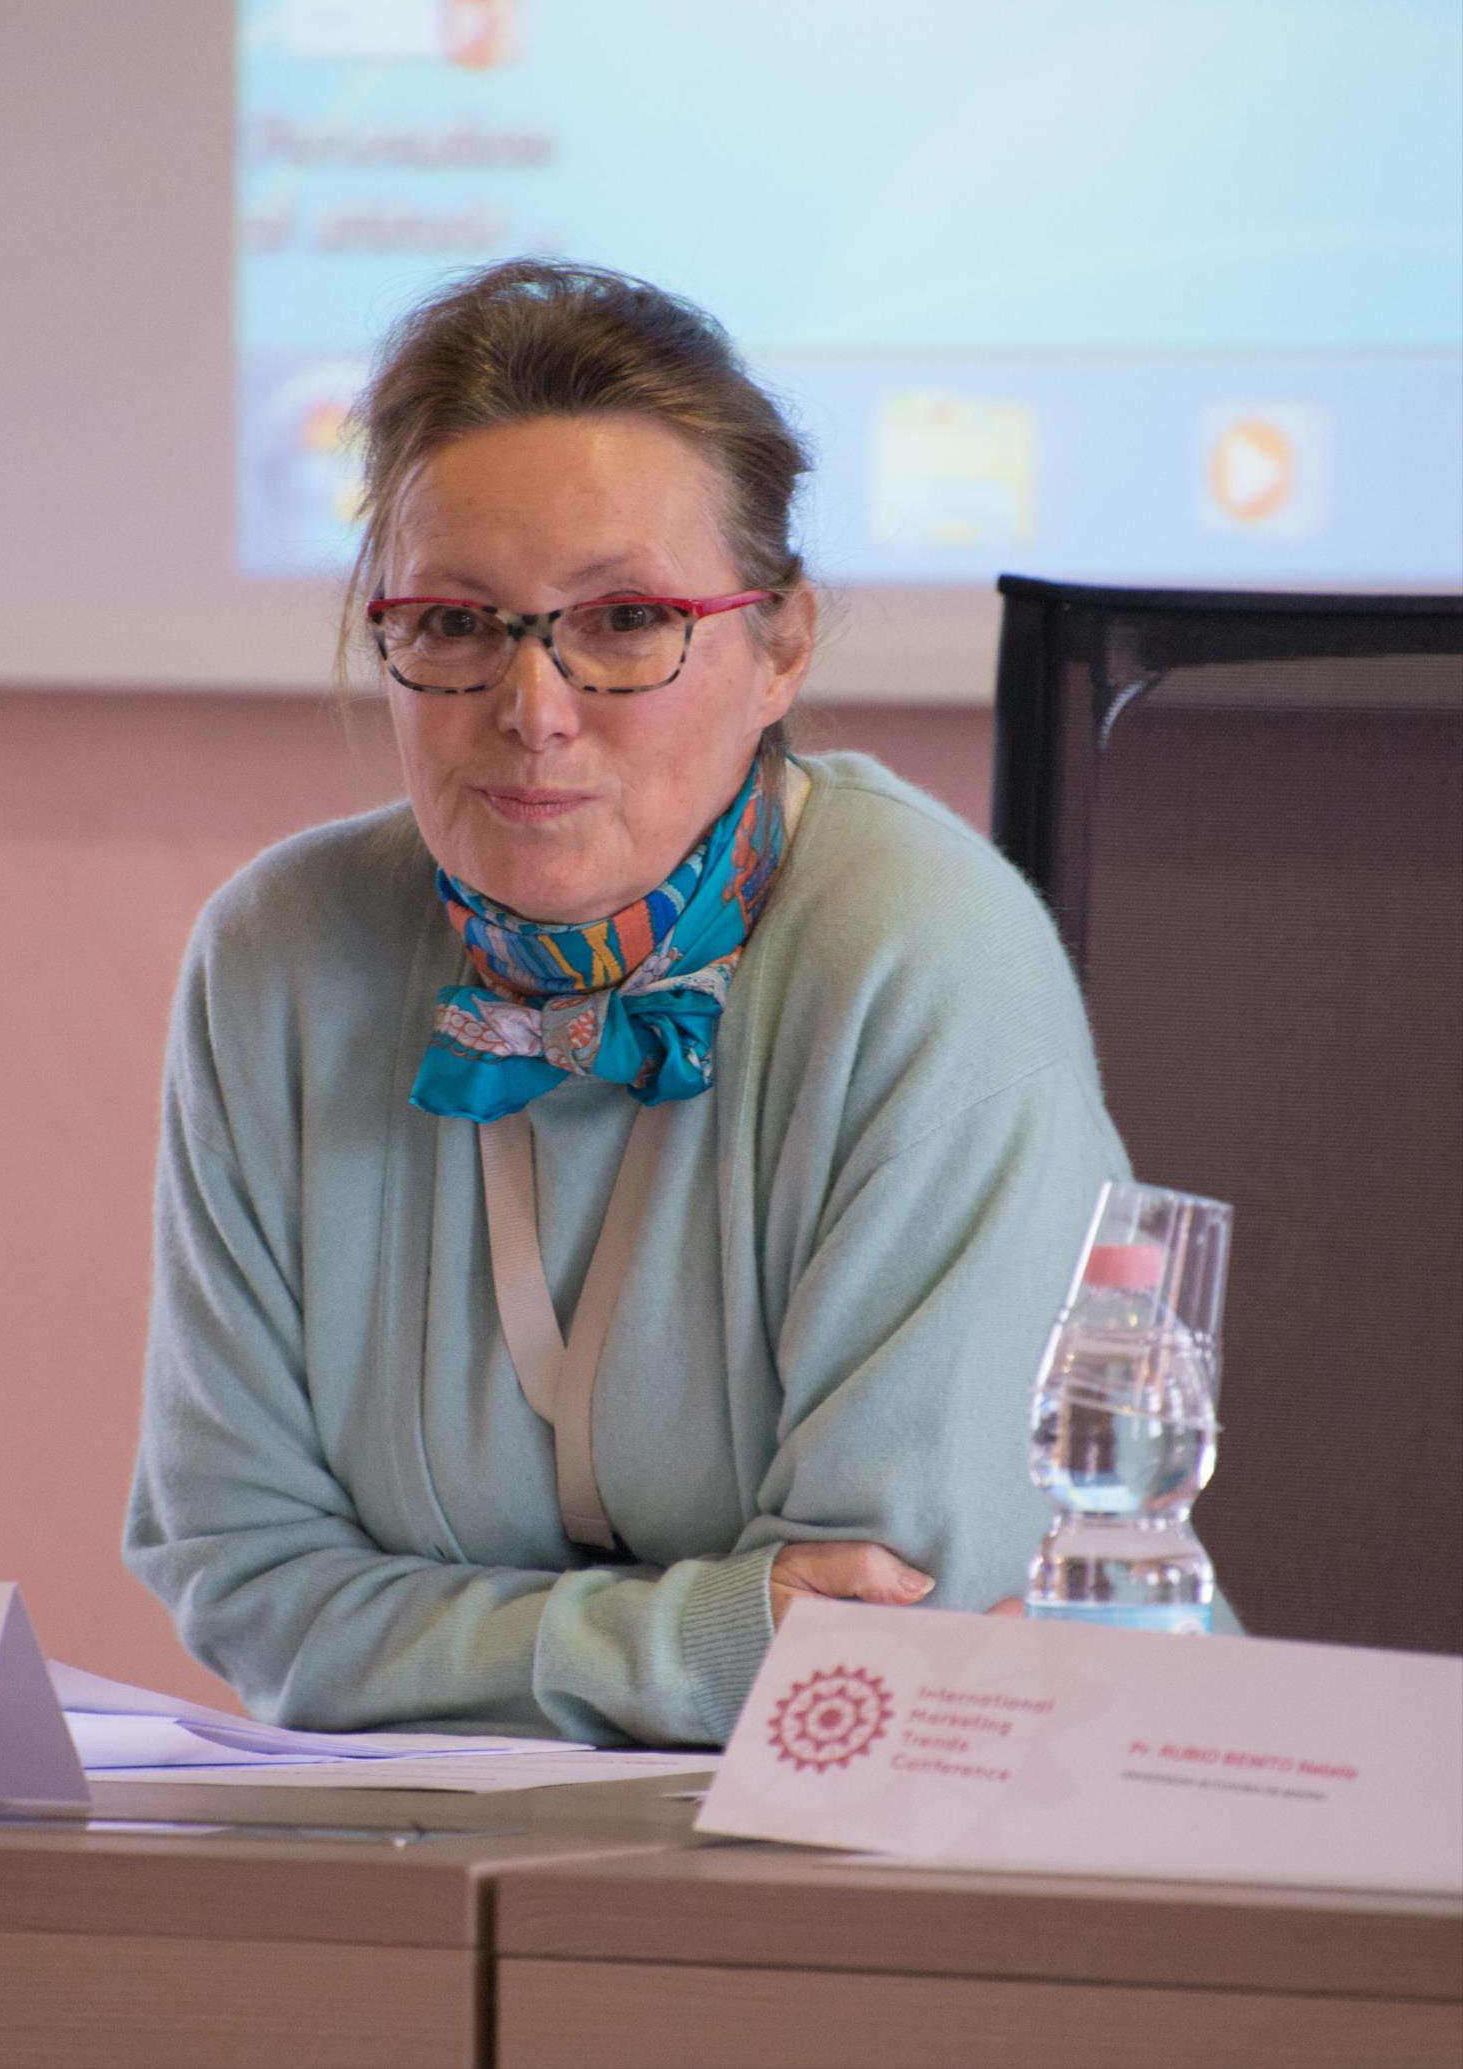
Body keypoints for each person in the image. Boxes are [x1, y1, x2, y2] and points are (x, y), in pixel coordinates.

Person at [126, 261, 1128, 1748]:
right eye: (455, 623)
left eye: (626, 619)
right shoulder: (279, 961)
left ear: (781, 644)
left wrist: (431, 1643)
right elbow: (245, 1576)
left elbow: (889, 1640)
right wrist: (714, 1637)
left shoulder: (924, 953)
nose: (532, 711)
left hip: (978, 1821)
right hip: (440, 1850)